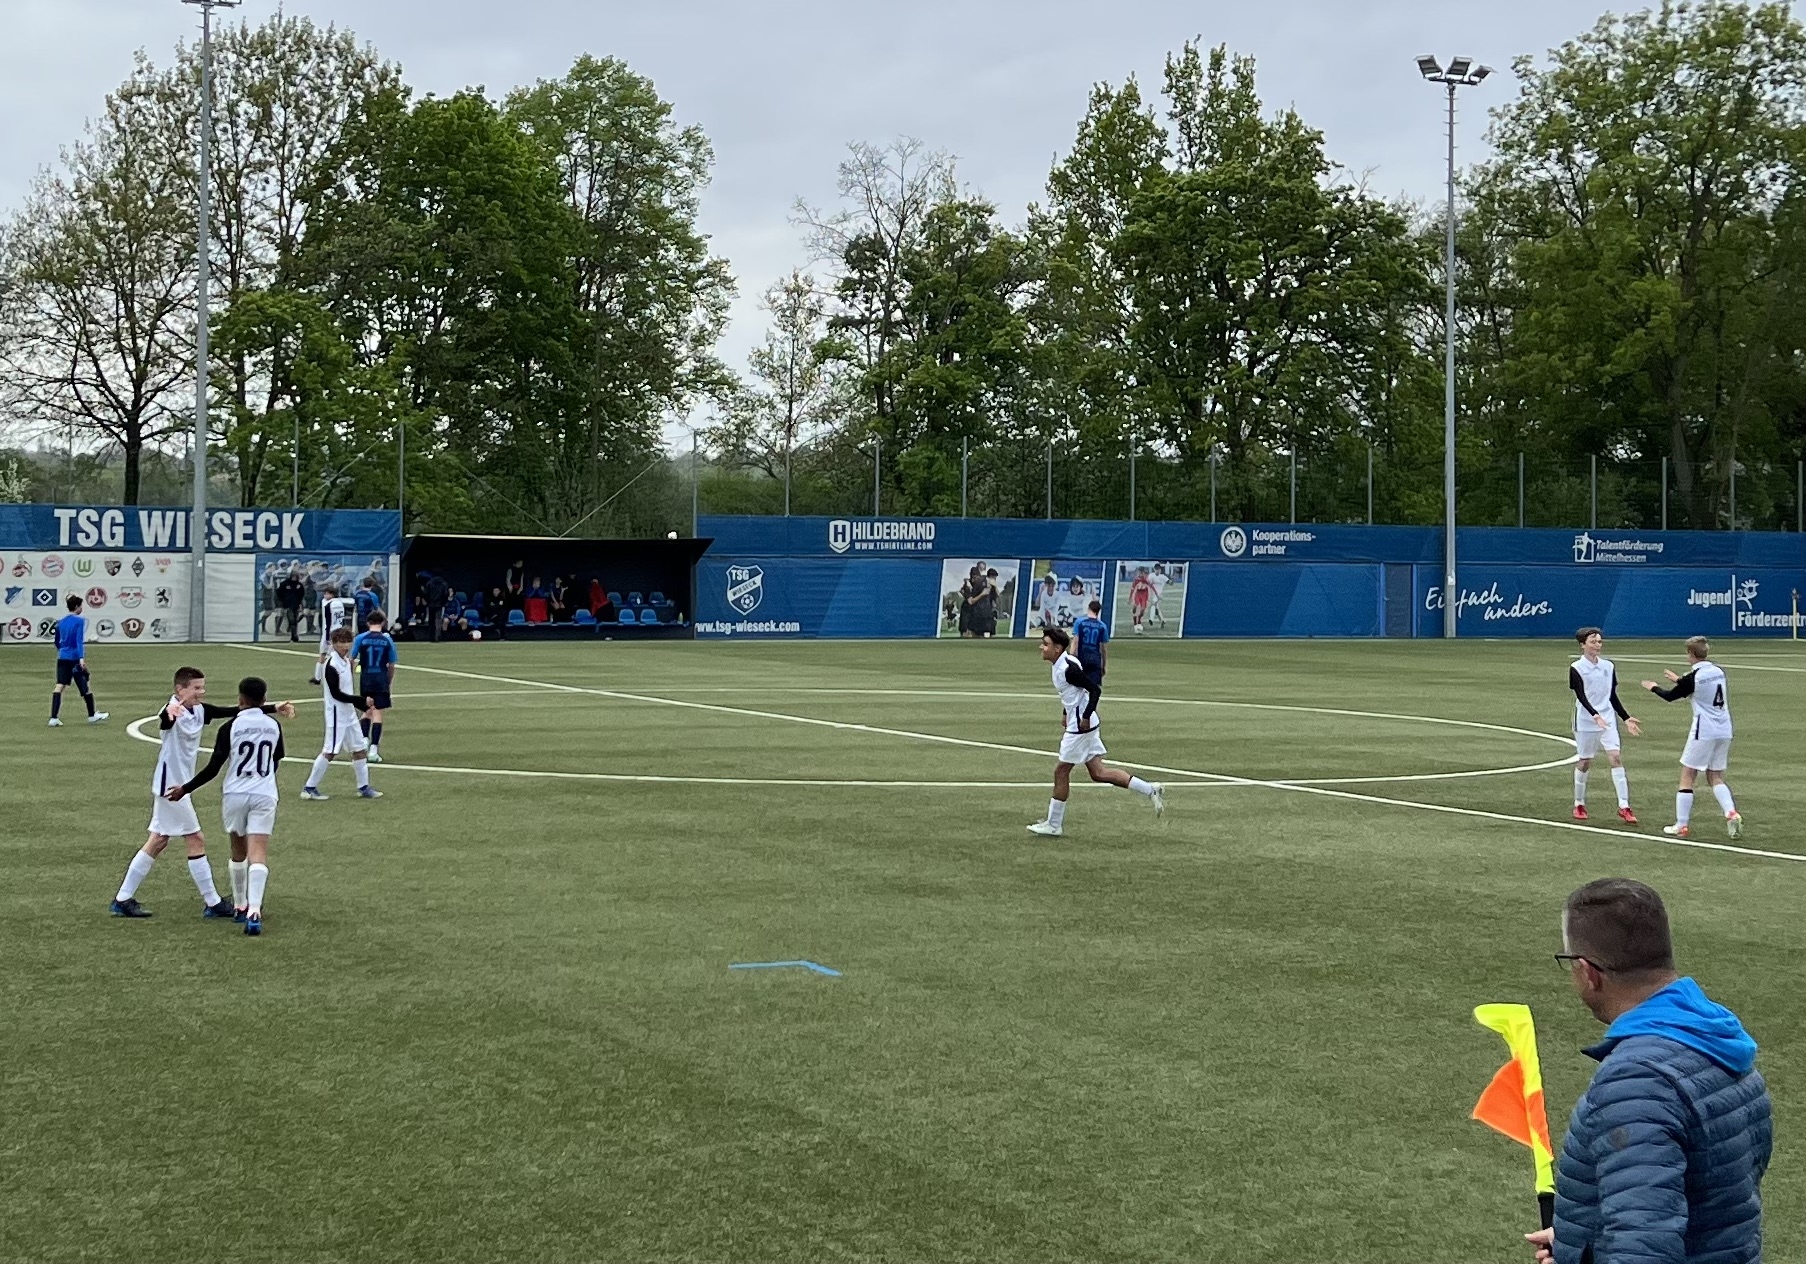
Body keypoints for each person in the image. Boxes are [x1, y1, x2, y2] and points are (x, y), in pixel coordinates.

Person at [1526, 878, 1769, 1264]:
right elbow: (1707, 1202)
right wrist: (1580, 1240)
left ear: (1588, 972)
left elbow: (1644, 1249)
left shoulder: (1635, 1083)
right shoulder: (1721, 1042)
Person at [111, 668, 295, 919]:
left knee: (159, 840)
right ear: (180, 690)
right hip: (171, 787)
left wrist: (273, 707)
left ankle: (123, 898)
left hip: (179, 785)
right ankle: (213, 902)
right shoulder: (171, 711)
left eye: (202, 687)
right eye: (196, 688)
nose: (201, 692)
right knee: (195, 838)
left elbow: (235, 710)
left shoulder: (201, 710)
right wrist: (167, 713)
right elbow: (166, 720)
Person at [166, 677, 288, 937]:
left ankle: (240, 905)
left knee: (237, 849)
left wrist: (185, 789)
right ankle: (254, 911)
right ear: (264, 699)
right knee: (258, 852)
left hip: (235, 793)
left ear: (240, 699)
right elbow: (277, 758)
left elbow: (214, 767)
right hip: (264, 793)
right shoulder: (273, 725)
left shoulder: (230, 727)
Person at [1026, 626, 1163, 837]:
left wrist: (1085, 716)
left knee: (1061, 771)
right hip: (1081, 724)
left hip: (1080, 728)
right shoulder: (1064, 663)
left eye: (1045, 644)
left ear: (1057, 648)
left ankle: (1054, 824)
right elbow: (1074, 693)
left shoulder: (1068, 669)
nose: (1041, 647)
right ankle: (1149, 789)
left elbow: (1094, 690)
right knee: (1098, 773)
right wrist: (1066, 712)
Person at [1640, 636, 1741, 839]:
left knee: (1687, 775)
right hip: (1724, 729)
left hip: (1704, 730)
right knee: (1715, 776)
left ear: (1691, 654)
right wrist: (1679, 680)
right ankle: (1731, 812)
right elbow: (1696, 686)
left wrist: (1653, 687)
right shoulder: (1717, 671)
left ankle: (1681, 825)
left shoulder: (1693, 678)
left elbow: (1671, 696)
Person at [1568, 627, 1641, 823]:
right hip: (1586, 721)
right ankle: (1579, 803)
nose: (1597, 645)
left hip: (1607, 719)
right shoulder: (1577, 668)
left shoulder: (1608, 666)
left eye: (1599, 641)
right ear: (1583, 645)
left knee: (1615, 757)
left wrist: (1625, 717)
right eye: (1593, 642)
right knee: (1585, 761)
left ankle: (1624, 806)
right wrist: (1594, 715)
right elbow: (1581, 696)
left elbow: (1611, 695)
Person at [301, 628, 382, 801]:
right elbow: (336, 694)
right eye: (341, 642)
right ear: (333, 643)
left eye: (348, 642)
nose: (345, 646)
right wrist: (360, 701)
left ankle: (363, 787)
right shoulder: (331, 665)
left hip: (349, 713)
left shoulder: (346, 661)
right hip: (337, 714)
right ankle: (309, 788)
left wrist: (358, 704)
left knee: (359, 749)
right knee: (330, 751)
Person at [49, 594, 107, 727]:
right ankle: (92, 715)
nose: (82, 608)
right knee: (84, 686)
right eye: (81, 606)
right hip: (75, 658)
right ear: (76, 607)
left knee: (60, 685)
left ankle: (53, 717)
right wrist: (81, 658)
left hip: (63, 657)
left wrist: (62, 650)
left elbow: (57, 641)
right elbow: (78, 640)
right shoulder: (79, 621)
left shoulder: (61, 622)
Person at [352, 610, 398, 764]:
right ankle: (373, 749)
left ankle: (364, 740)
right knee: (377, 712)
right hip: (380, 678)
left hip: (366, 679)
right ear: (383, 623)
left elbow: (351, 659)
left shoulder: (361, 638)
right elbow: (391, 664)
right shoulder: (387, 640)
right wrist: (388, 681)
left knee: (367, 709)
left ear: (368, 623)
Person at [311, 584, 356, 685]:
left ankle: (319, 677)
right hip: (338, 631)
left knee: (324, 654)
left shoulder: (328, 605)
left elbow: (328, 621)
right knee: (338, 655)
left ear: (331, 594)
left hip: (330, 632)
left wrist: (327, 637)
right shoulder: (340, 603)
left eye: (326, 593)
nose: (324, 596)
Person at [1073, 599, 1109, 691]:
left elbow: (1075, 642)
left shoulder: (1079, 622)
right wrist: (1103, 665)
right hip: (1095, 659)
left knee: (1078, 688)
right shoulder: (1102, 626)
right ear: (1098, 611)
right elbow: (1103, 649)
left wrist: (1072, 658)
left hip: (1081, 658)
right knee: (1094, 689)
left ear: (1089, 608)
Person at [277, 569, 306, 642]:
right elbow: (279, 593)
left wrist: (300, 604)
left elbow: (302, 595)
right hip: (287, 605)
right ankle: (294, 635)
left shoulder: (299, 585)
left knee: (295, 620)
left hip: (296, 605)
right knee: (292, 620)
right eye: (294, 576)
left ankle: (294, 635)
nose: (295, 578)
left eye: (296, 576)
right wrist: (283, 603)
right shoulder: (285, 584)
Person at [423, 572, 450, 643]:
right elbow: (446, 594)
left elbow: (425, 594)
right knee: (438, 620)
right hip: (439, 605)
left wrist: (429, 602)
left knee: (431, 621)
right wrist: (443, 603)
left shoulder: (429, 583)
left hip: (431, 604)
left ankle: (431, 637)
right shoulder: (444, 584)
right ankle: (437, 637)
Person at [1128, 566, 1153, 634]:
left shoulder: (1146, 579)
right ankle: (1135, 621)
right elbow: (1132, 589)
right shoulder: (1136, 579)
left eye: (1141, 572)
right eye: (1139, 572)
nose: (1140, 574)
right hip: (1138, 594)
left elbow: (1151, 586)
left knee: (1142, 610)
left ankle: (1139, 619)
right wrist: (1130, 598)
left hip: (1144, 594)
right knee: (1135, 607)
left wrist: (1151, 596)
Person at [1146, 563, 1170, 630]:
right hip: (1152, 593)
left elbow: (1169, 582)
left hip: (1159, 594)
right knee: (1157, 608)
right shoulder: (1151, 575)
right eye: (1156, 569)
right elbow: (1148, 583)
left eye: (1158, 569)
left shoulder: (1163, 577)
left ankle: (1151, 619)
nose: (1157, 571)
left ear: (1160, 570)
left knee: (1153, 604)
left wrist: (1172, 580)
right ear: (1154, 569)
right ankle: (1162, 620)